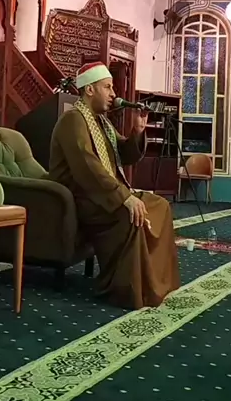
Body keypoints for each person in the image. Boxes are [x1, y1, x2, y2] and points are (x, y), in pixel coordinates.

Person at [48, 61, 180, 309]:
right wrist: (124, 197)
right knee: (132, 214)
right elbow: (88, 168)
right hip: (83, 198)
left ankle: (152, 283)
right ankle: (123, 289)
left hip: (103, 193)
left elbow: (125, 154)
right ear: (90, 89)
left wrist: (138, 130)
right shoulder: (73, 120)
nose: (113, 94)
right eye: (107, 87)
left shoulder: (102, 122)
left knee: (160, 206)